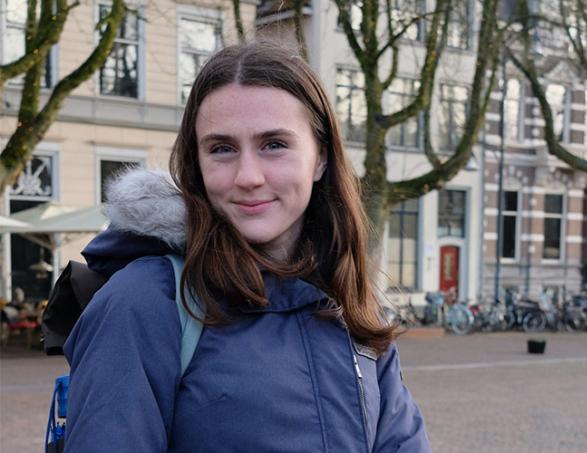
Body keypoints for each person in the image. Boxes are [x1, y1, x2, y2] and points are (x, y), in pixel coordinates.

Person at [63, 41, 431, 452]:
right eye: (222, 149)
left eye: (274, 144)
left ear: (321, 158)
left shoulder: (350, 304)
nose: (248, 176)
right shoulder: (145, 302)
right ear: (197, 164)